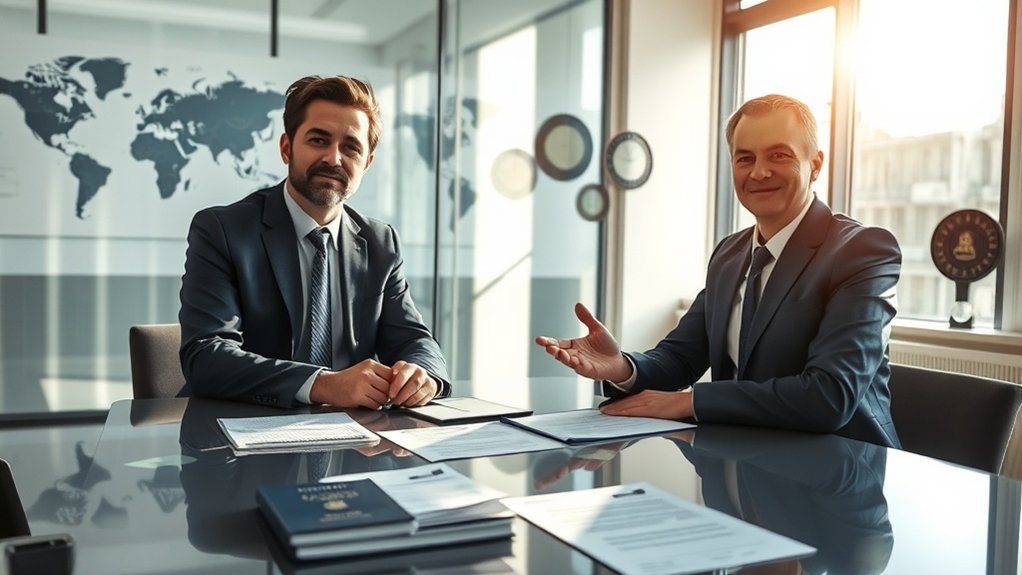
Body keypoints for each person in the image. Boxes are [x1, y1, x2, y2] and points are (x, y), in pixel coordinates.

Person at [536, 94, 901, 447]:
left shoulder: (863, 250)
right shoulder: (730, 254)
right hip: (742, 460)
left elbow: (829, 396)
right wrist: (621, 367)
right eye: (745, 159)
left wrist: (690, 401)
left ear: (816, 164)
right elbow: (679, 360)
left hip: (843, 473)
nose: (759, 171)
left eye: (779, 155)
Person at [179, 75, 449, 410]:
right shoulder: (223, 229)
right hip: (236, 433)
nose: (334, 159)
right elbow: (206, 355)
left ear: (367, 163)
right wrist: (323, 384)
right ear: (287, 148)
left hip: (351, 441)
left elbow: (414, 338)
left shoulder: (380, 242)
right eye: (319, 140)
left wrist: (424, 375)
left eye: (351, 147)